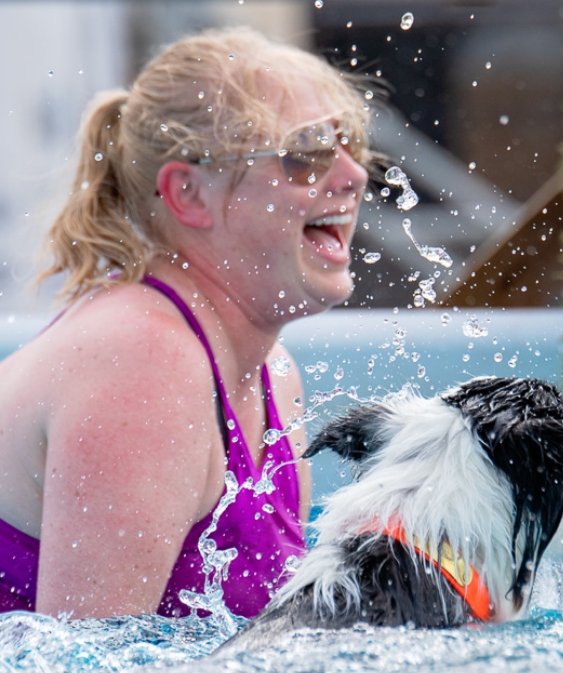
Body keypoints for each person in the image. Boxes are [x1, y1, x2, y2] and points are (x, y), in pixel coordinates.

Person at [0, 27, 373, 619]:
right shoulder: (145, 364)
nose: (353, 175)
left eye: (350, 142)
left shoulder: (274, 374)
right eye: (306, 153)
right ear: (189, 194)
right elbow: (80, 660)